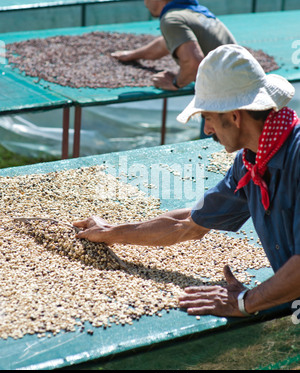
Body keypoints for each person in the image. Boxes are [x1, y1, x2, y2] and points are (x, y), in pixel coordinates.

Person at [74, 44, 300, 318]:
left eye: (207, 117)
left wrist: (246, 302)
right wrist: (111, 233)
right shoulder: (251, 162)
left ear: (234, 116)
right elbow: (188, 225)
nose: (206, 130)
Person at [111, 0, 236, 91]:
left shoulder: (171, 19)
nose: (145, 3)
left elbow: (194, 63)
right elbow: (164, 44)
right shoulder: (195, 13)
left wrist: (176, 83)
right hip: (243, 87)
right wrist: (132, 55)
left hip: (227, 97)